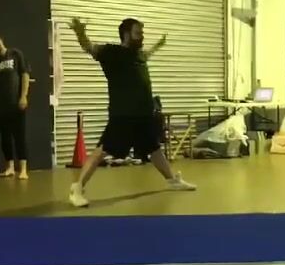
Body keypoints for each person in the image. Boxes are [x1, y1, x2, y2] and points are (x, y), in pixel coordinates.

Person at [67, 17, 194, 207]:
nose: (142, 36)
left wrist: (158, 46)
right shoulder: (113, 53)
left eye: (142, 33)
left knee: (154, 149)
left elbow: (147, 55)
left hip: (143, 115)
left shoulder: (139, 55)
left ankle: (172, 180)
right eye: (138, 33)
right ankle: (77, 188)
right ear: (126, 34)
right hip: (123, 115)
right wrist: (80, 33)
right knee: (102, 150)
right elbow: (90, 48)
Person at [0, 32, 31, 179]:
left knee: (19, 136)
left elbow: (25, 74)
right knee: (5, 137)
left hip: (15, 102)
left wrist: (23, 96)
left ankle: (23, 169)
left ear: (2, 41)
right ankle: (9, 167)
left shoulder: (15, 54)